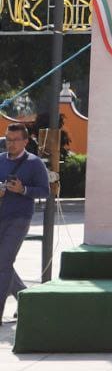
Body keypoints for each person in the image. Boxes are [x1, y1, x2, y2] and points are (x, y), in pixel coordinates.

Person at [0, 123, 50, 321]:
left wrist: (23, 190)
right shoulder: (0, 160)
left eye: (14, 140)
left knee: (3, 263)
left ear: (25, 141)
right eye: (7, 139)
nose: (10, 144)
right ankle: (24, 297)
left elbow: (44, 191)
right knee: (3, 263)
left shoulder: (35, 163)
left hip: (19, 218)